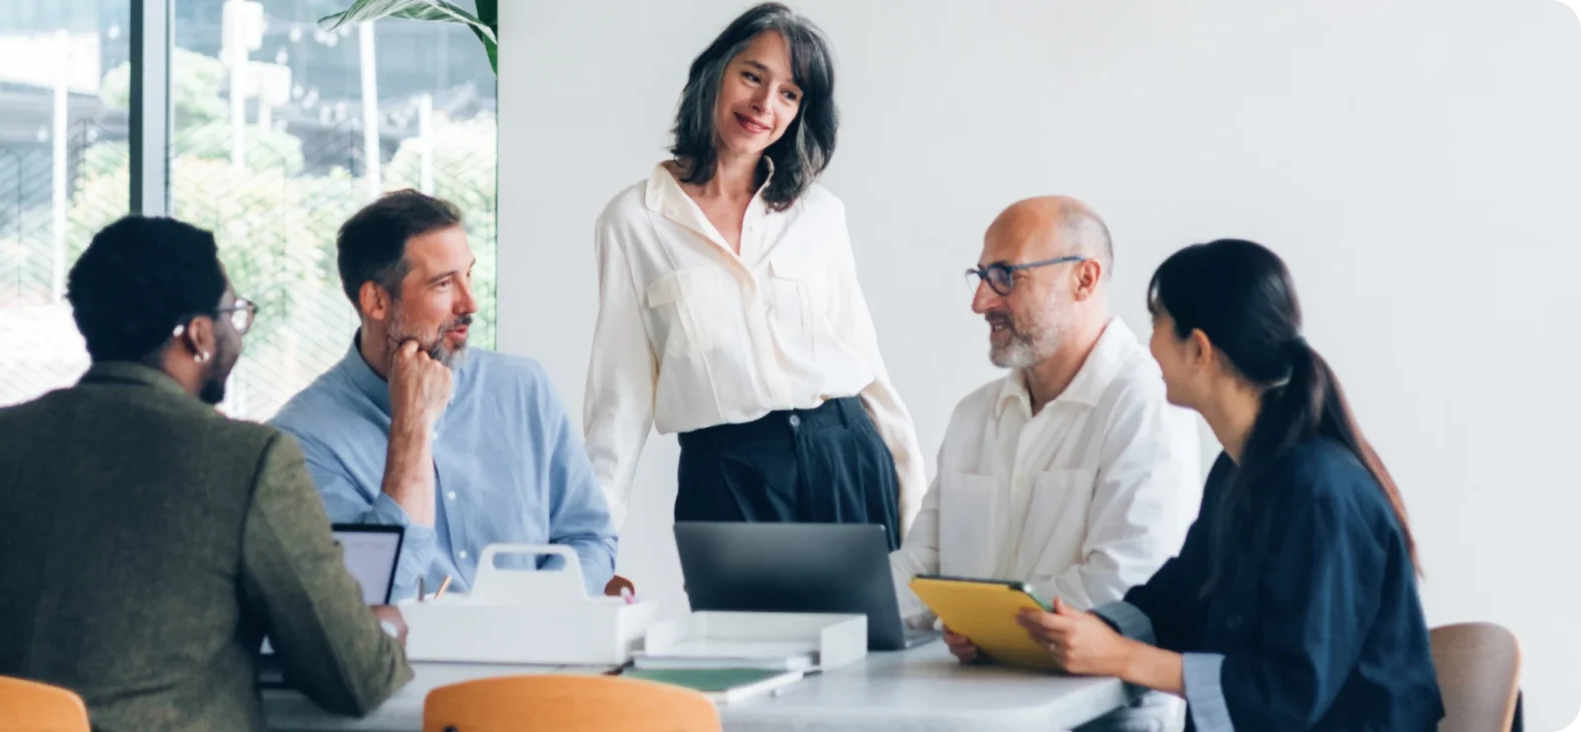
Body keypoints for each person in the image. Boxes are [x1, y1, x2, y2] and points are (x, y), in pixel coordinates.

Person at [0, 217, 412, 731]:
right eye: (233, 316)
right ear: (199, 335)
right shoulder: (247, 459)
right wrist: (384, 635)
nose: (236, 335)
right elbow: (355, 679)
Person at [1016, 239, 1444, 731]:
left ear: (1198, 349)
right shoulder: (1238, 472)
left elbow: (1289, 694)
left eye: (1156, 324)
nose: (1147, 344)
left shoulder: (1321, 493)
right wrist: (1065, 631)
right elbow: (1178, 599)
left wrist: (1123, 658)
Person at [585, 2, 922, 542]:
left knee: (866, 630)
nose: (766, 103)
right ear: (714, 73)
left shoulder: (819, 213)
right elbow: (619, 395)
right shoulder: (633, 220)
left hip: (845, 458)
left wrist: (917, 515)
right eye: (752, 76)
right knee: (737, 631)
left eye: (790, 93)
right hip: (726, 477)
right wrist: (592, 540)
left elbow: (867, 368)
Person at [889, 196, 1201, 729]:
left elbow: (1127, 585)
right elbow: (923, 566)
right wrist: (827, 611)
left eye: (1006, 275)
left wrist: (986, 628)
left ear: (1084, 280)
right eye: (982, 275)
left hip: (1104, 712)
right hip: (976, 707)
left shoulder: (1147, 403)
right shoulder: (974, 416)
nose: (981, 301)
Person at [270, 190, 619, 602]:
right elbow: (365, 597)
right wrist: (411, 428)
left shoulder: (523, 388)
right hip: (411, 665)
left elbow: (590, 538)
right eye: (443, 284)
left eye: (468, 275)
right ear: (376, 301)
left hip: (534, 660)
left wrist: (529, 612)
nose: (469, 302)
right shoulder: (300, 441)